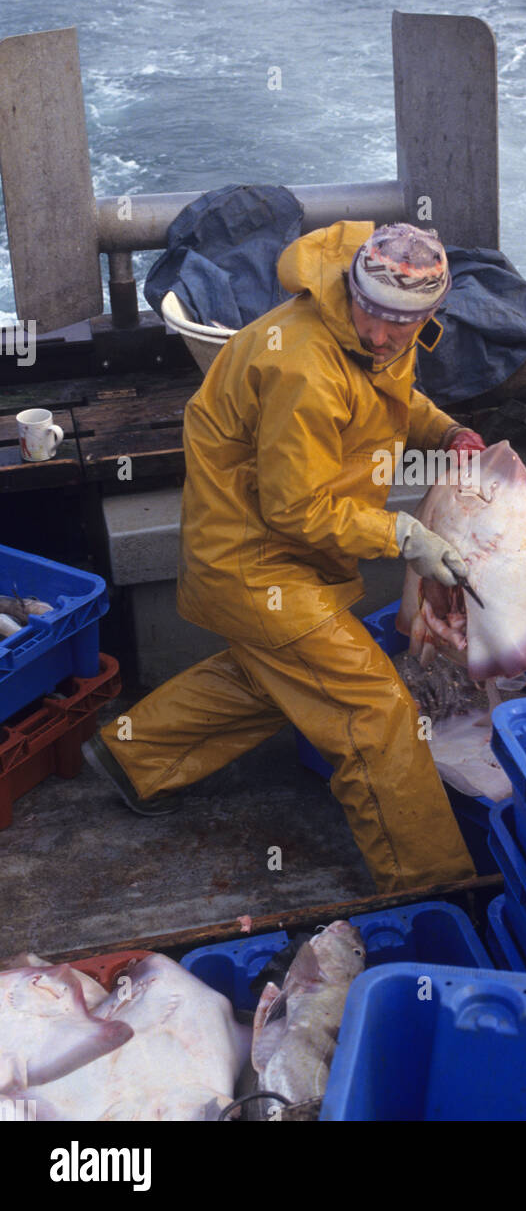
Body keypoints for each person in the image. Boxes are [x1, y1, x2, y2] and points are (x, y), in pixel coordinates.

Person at [85, 220, 488, 893]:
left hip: (286, 554)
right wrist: (407, 539)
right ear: (352, 287)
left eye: (406, 324)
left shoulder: (379, 334)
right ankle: (430, 884)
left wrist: (442, 429)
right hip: (254, 561)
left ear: (429, 311)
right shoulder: (301, 365)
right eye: (374, 315)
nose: (384, 335)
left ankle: (135, 754)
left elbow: (388, 391)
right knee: (372, 710)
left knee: (284, 677)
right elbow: (297, 511)